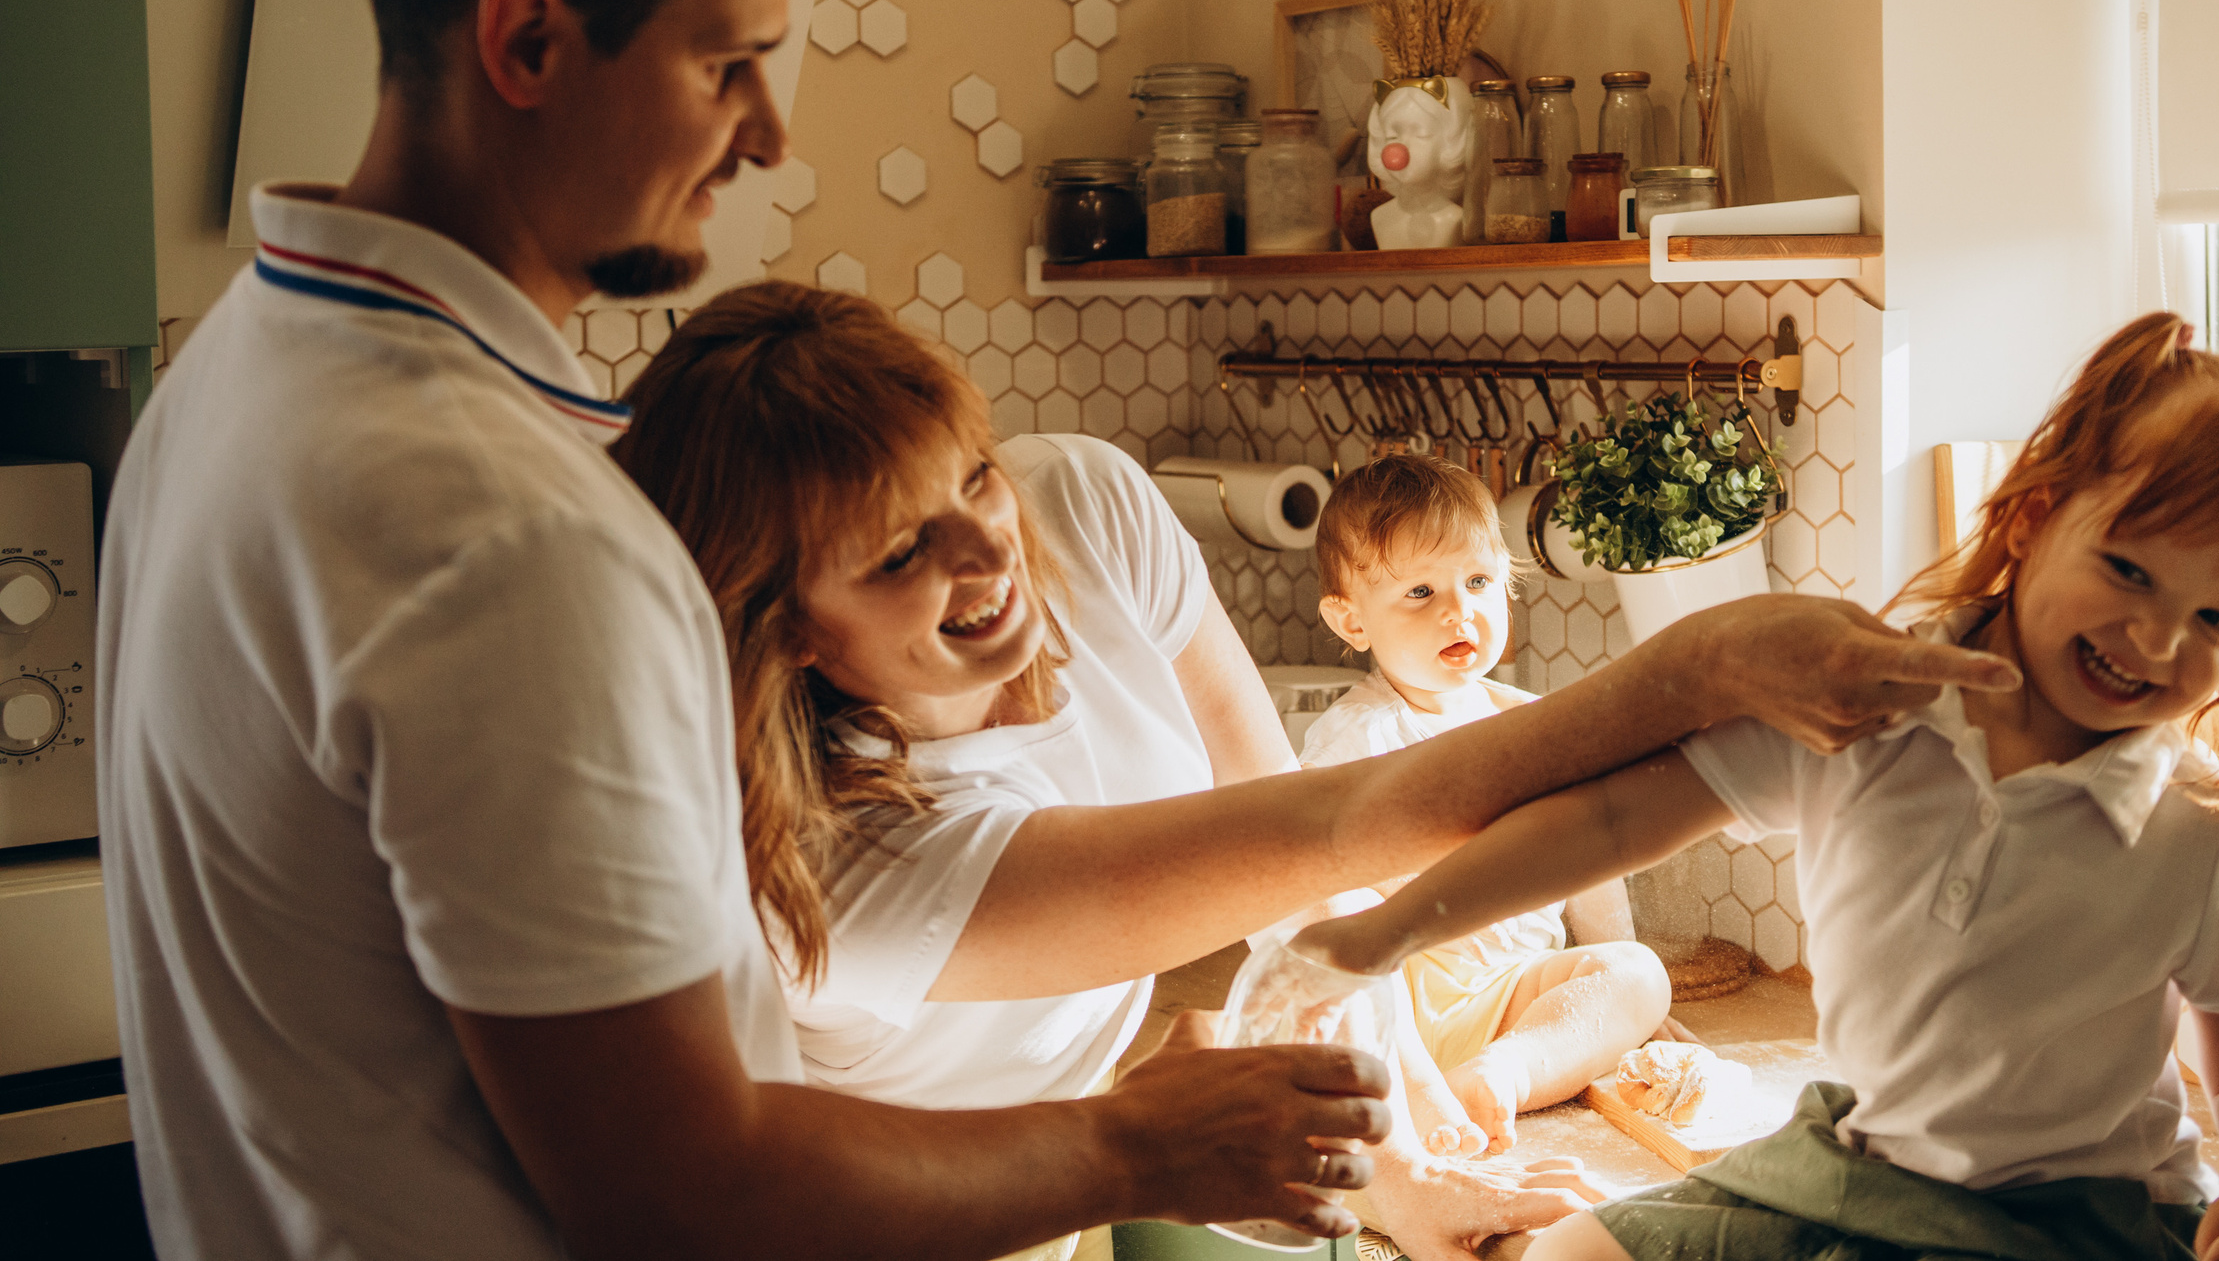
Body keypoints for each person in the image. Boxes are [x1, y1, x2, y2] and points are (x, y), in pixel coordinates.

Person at [95, 0, 1397, 1261]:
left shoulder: (226, 377)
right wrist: (1132, 1144)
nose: (770, 133)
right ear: (527, 43)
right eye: (726, 67)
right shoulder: (510, 534)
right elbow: (684, 1194)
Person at [608, 283, 2024, 1261]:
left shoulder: (1082, 502)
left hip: (1089, 1151)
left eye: (970, 477)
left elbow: (1292, 913)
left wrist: (1401, 1179)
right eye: (897, 552)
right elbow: (1341, 824)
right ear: (791, 627)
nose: (989, 553)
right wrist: (1695, 666)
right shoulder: (841, 857)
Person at [1292, 312, 2219, 1261]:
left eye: (2216, 618)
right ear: (2031, 518)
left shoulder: (2202, 828)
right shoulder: (1854, 707)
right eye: (2129, 570)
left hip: (2073, 1218)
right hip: (1846, 1161)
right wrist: (1395, 926)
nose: (2156, 638)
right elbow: (1615, 818)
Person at [1298, 455, 1671, 1160]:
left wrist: (1617, 991)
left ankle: (1504, 1069)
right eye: (1420, 591)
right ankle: (1424, 1086)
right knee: (1341, 928)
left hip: (1511, 993)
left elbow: (1590, 859)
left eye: (1477, 582)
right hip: (1403, 1002)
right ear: (1351, 619)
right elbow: (1315, 892)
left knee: (1638, 973)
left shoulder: (1534, 724)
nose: (1458, 610)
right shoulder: (1360, 738)